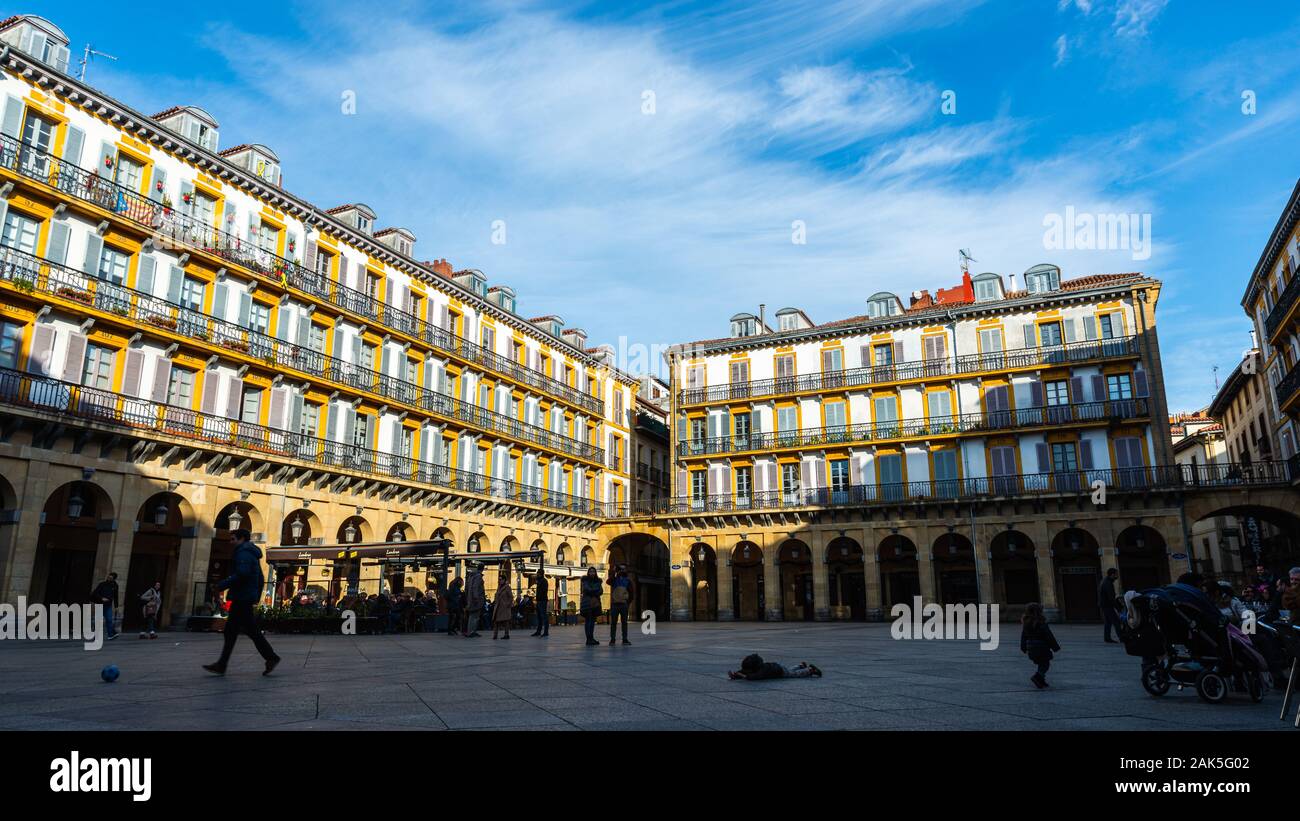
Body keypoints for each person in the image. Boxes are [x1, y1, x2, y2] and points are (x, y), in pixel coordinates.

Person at [203, 529, 280, 676]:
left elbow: (242, 574)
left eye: (233, 539)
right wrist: (255, 595)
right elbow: (260, 578)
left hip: (241, 597)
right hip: (246, 596)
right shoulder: (251, 553)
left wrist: (221, 585)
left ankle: (270, 657)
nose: (230, 542)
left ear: (242, 539)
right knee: (242, 631)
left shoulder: (243, 553)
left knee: (241, 631)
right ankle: (269, 657)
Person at [1020, 602, 1061, 689]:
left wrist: (1023, 647)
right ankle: (1038, 676)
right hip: (1041, 647)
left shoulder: (1026, 623)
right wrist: (1055, 647)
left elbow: (1023, 637)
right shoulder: (1041, 623)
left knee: (1041, 663)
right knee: (1045, 664)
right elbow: (1049, 636)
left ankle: (1041, 680)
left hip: (1030, 646)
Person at [727, 653, 821, 680]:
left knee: (794, 674)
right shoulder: (757, 666)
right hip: (777, 666)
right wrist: (736, 675)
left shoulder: (762, 671)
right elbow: (745, 671)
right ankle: (800, 665)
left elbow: (754, 676)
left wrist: (743, 676)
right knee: (789, 670)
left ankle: (810, 670)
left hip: (780, 671)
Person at [607, 564, 633, 645]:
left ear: (626, 570)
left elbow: (631, 593)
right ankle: (612, 639)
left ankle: (624, 639)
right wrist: (614, 571)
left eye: (623, 569)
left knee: (624, 622)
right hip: (615, 604)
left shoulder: (628, 580)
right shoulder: (614, 579)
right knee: (613, 622)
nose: (622, 570)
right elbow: (608, 581)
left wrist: (628, 603)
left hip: (624, 604)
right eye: (620, 569)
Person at [91, 572, 119, 641]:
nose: (109, 578)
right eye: (108, 577)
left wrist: (116, 606)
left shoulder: (115, 586)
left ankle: (110, 635)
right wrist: (101, 598)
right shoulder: (102, 584)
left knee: (109, 620)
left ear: (114, 579)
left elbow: (116, 596)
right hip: (100, 604)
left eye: (111, 578)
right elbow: (95, 593)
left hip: (108, 605)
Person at [580, 566, 603, 646]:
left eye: (593, 571)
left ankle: (591, 638)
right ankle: (588, 639)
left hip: (595, 604)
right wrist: (595, 590)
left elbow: (601, 591)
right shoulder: (585, 581)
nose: (592, 573)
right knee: (588, 621)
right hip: (587, 603)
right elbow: (587, 589)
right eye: (590, 571)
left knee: (592, 621)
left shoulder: (598, 581)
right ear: (588, 573)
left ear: (595, 573)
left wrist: (593, 591)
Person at [1097, 567, 1120, 643]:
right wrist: (1118, 607)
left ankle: (1107, 638)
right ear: (1112, 574)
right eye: (1116, 574)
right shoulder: (1108, 583)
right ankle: (1122, 638)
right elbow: (1111, 597)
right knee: (1116, 621)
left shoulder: (1105, 581)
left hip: (1104, 605)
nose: (1117, 576)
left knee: (1108, 622)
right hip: (1107, 605)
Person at [463, 564, 485, 638]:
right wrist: (476, 597)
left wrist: (468, 597)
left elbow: (467, 588)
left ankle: (471, 631)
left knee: (472, 615)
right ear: (482, 569)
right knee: (475, 616)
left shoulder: (471, 576)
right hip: (476, 599)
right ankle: (471, 631)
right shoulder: (478, 577)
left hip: (470, 598)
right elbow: (475, 587)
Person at [492, 571, 514, 640]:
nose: (499, 580)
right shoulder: (498, 587)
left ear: (504, 580)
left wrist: (507, 604)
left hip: (504, 607)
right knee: (496, 621)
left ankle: (506, 634)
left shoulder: (507, 587)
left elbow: (511, 597)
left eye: (501, 579)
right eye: (499, 579)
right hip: (498, 606)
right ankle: (495, 635)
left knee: (506, 621)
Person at [530, 565, 549, 638]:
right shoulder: (540, 581)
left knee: (544, 616)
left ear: (540, 574)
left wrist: (539, 597)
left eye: (538, 573)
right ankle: (538, 631)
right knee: (539, 617)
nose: (537, 574)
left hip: (542, 601)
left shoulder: (544, 581)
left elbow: (543, 591)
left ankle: (546, 632)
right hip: (539, 600)